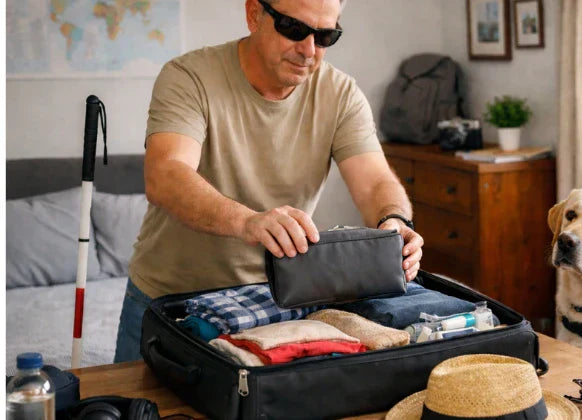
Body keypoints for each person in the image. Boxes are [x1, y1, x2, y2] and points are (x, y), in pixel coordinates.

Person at [113, 0, 423, 362]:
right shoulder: (189, 76)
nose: (308, 50)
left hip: (271, 304)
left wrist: (394, 222)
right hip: (170, 300)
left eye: (325, 36)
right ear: (253, 15)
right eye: (294, 29)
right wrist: (247, 221)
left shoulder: (340, 94)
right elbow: (166, 175)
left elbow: (374, 183)